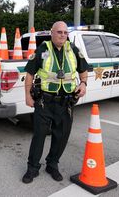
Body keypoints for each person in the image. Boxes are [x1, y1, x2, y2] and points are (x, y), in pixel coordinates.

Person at [22, 21, 89, 184]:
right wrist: (28, 96)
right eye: (59, 32)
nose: (62, 35)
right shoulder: (43, 50)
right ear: (51, 33)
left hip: (66, 103)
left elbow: (84, 70)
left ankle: (52, 164)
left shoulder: (73, 50)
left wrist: (83, 83)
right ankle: (32, 168)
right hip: (45, 102)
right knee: (39, 136)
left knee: (61, 136)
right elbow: (30, 73)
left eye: (65, 33)